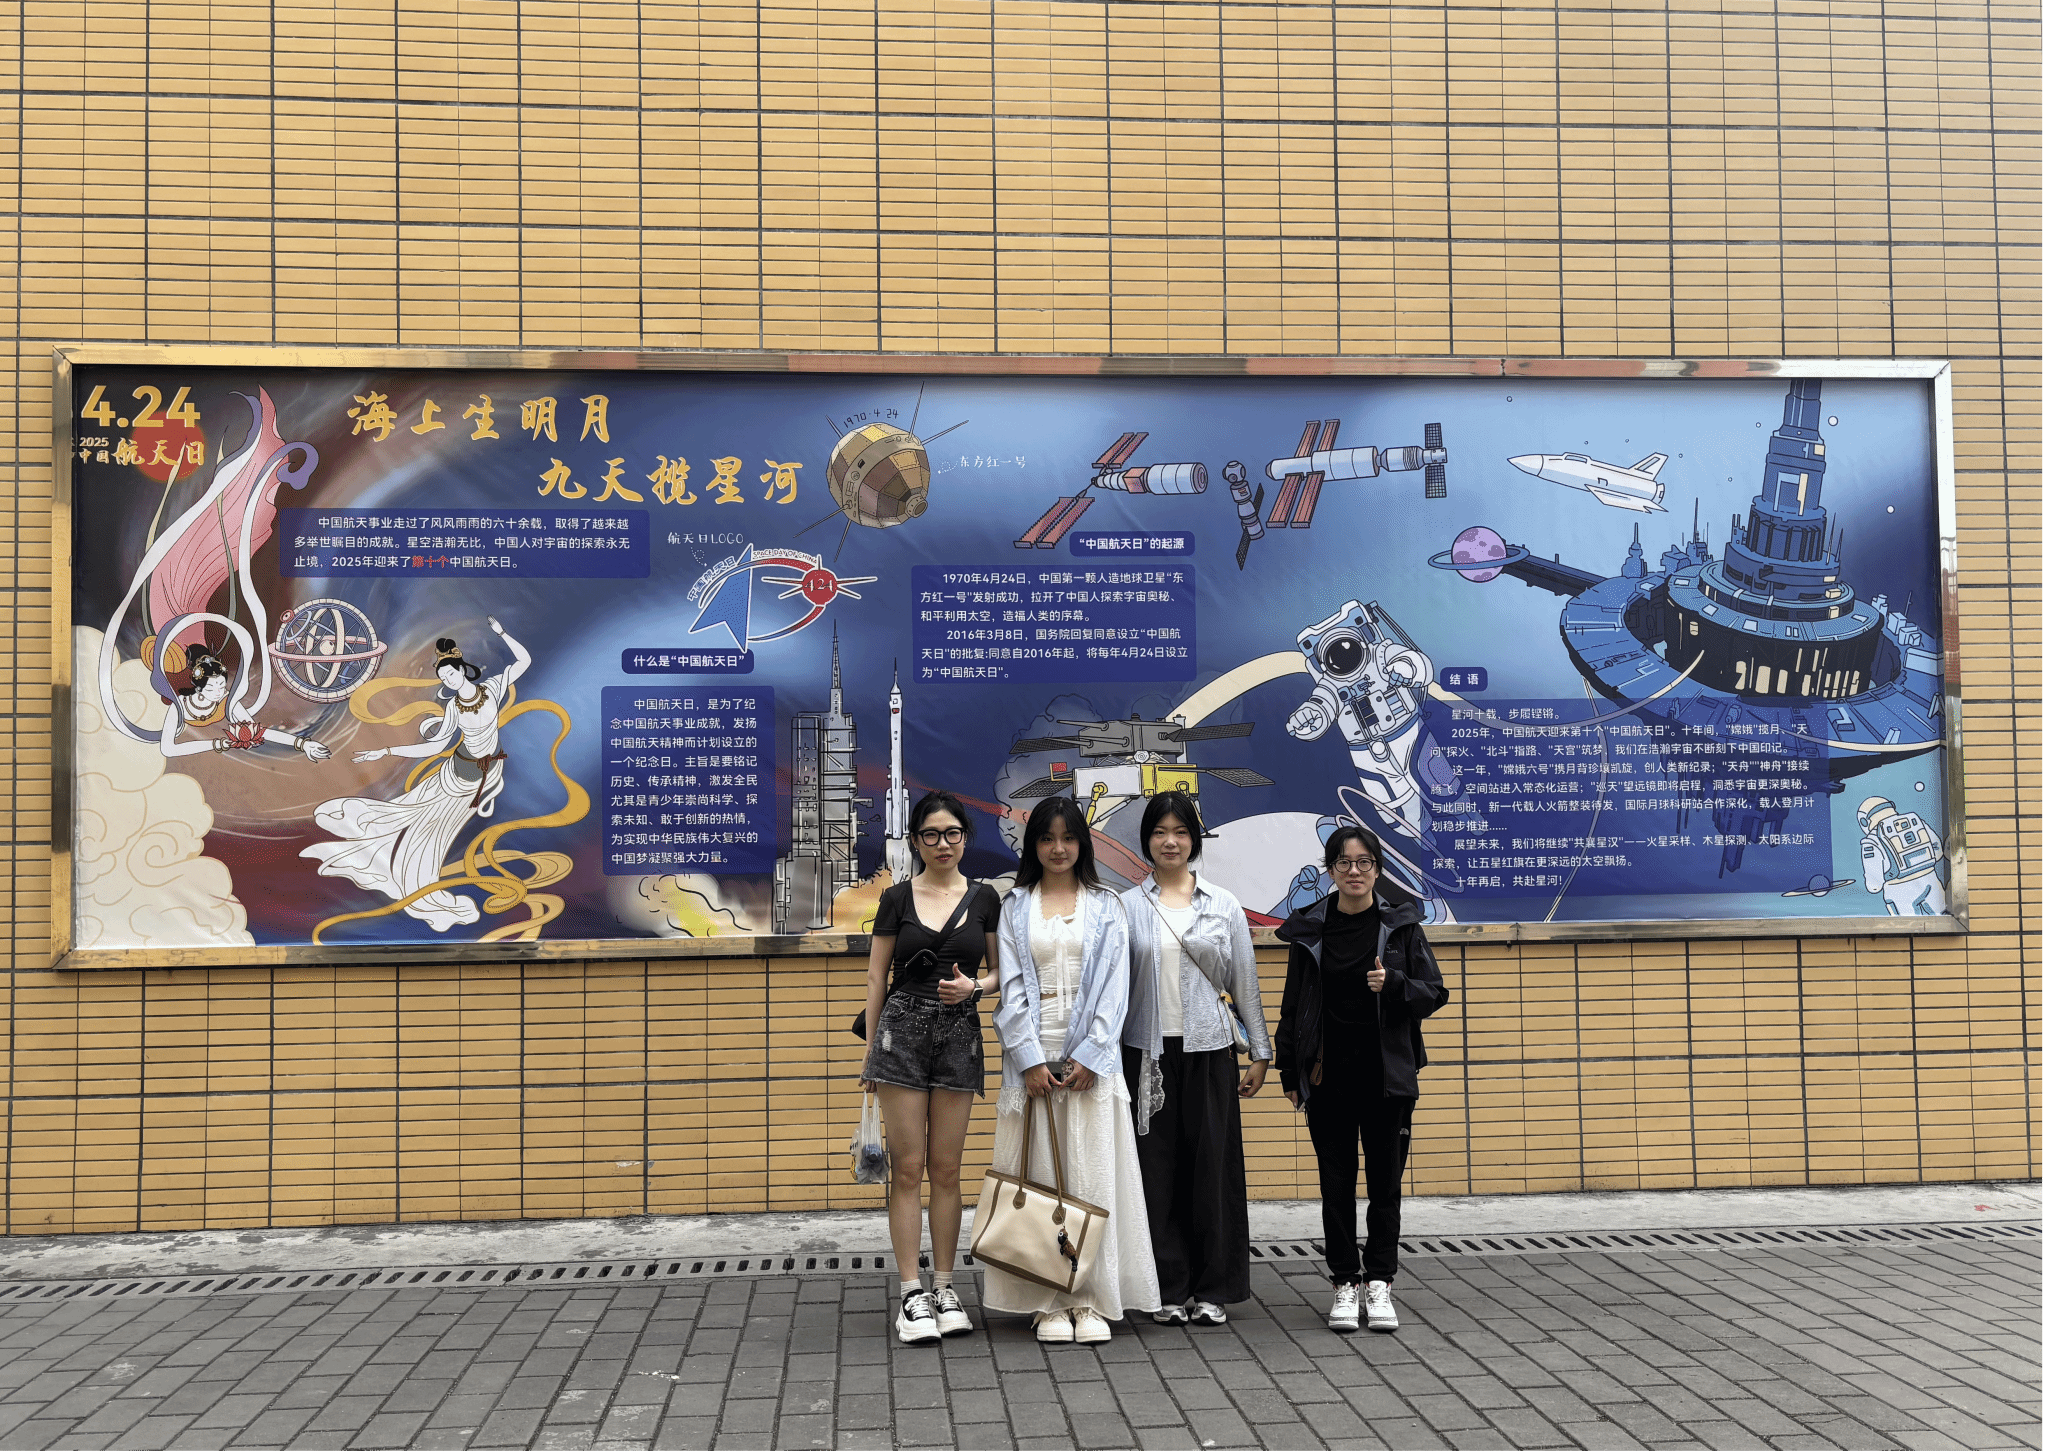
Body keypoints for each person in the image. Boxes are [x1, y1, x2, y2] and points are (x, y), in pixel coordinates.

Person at [987, 796, 1159, 1343]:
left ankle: (1090, 1298)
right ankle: (1047, 1300)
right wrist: (1028, 1059)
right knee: (1040, 1174)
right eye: (1046, 838)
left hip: (1092, 1063)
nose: (1057, 848)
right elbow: (1011, 988)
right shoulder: (1014, 907)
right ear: (1033, 846)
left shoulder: (1107, 905)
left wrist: (1092, 1054)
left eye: (1067, 838)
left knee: (1091, 1174)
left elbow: (1116, 988)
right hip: (1034, 1063)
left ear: (1083, 843)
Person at [1275, 824, 1448, 1334]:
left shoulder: (1400, 925)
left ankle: (1380, 1281)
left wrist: (1394, 983)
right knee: (1336, 1188)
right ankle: (1345, 1282)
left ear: (1377, 869)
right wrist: (1289, 1070)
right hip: (1327, 1079)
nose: (1355, 871)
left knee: (1385, 1188)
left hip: (1387, 1080)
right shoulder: (1311, 929)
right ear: (1331, 870)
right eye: (1345, 863)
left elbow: (1434, 993)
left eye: (1364, 862)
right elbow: (1293, 1006)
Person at [1119, 790, 1272, 1326]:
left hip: (1210, 1051)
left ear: (1194, 840)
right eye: (1160, 832)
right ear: (1147, 840)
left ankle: (1213, 1289)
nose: (1170, 842)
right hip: (1146, 1053)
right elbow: (1114, 989)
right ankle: (1165, 1287)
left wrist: (1260, 1052)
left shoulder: (1223, 904)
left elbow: (1244, 982)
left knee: (1212, 1168)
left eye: (1181, 832)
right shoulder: (1127, 906)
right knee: (1156, 1171)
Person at [859, 790, 1004, 1345]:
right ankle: (910, 1293)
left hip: (959, 1035)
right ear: (916, 841)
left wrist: (975, 988)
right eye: (931, 835)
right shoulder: (897, 898)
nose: (943, 844)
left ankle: (945, 1287)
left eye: (952, 834)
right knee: (907, 1168)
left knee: (946, 1169)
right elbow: (876, 977)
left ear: (965, 838)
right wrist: (871, 1053)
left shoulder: (986, 897)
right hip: (901, 1035)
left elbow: (1002, 972)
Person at [302, 621, 528, 932]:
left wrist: (502, 633)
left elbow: (524, 661)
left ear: (462, 669)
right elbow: (435, 746)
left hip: (482, 776)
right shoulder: (455, 708)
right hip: (460, 775)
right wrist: (386, 751)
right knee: (425, 833)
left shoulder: (491, 689)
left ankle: (418, 884)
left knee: (433, 835)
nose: (449, 679)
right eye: (444, 678)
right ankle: (414, 885)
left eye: (451, 673)